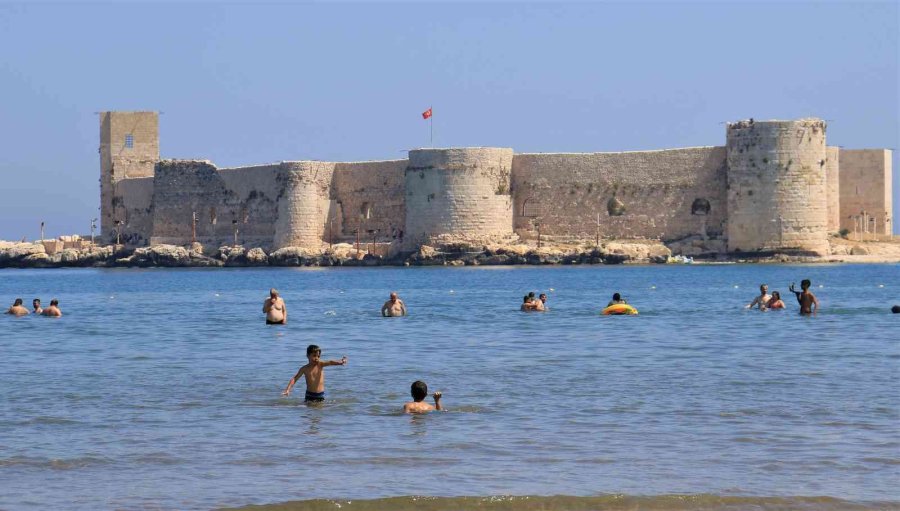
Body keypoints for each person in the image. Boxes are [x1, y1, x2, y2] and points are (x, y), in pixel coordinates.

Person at [281, 344, 347, 402]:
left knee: (319, 414)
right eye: (314, 355)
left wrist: (340, 362)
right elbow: (294, 378)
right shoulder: (304, 368)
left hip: (320, 395)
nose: (316, 358)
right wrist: (288, 389)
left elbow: (330, 362)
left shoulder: (320, 364)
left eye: (318, 356)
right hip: (309, 395)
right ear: (308, 356)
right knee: (309, 414)